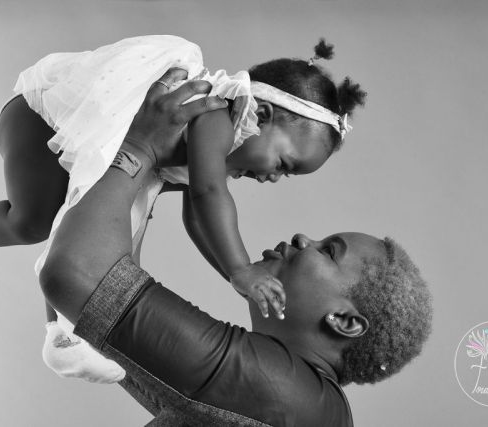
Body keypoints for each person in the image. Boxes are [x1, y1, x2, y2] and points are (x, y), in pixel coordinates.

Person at [0, 35, 366, 382]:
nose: (275, 178)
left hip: (102, 152)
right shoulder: (215, 112)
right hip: (41, 115)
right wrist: (242, 269)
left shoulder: (226, 145)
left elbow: (194, 220)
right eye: (284, 164)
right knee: (32, 222)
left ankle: (69, 336)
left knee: (118, 239)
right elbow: (207, 195)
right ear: (262, 113)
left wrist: (234, 275)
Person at [38, 69, 433, 426]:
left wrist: (140, 147)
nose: (302, 239)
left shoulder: (285, 391)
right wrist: (145, 184)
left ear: (345, 321)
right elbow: (109, 332)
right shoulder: (312, 407)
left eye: (328, 251)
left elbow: (76, 274)